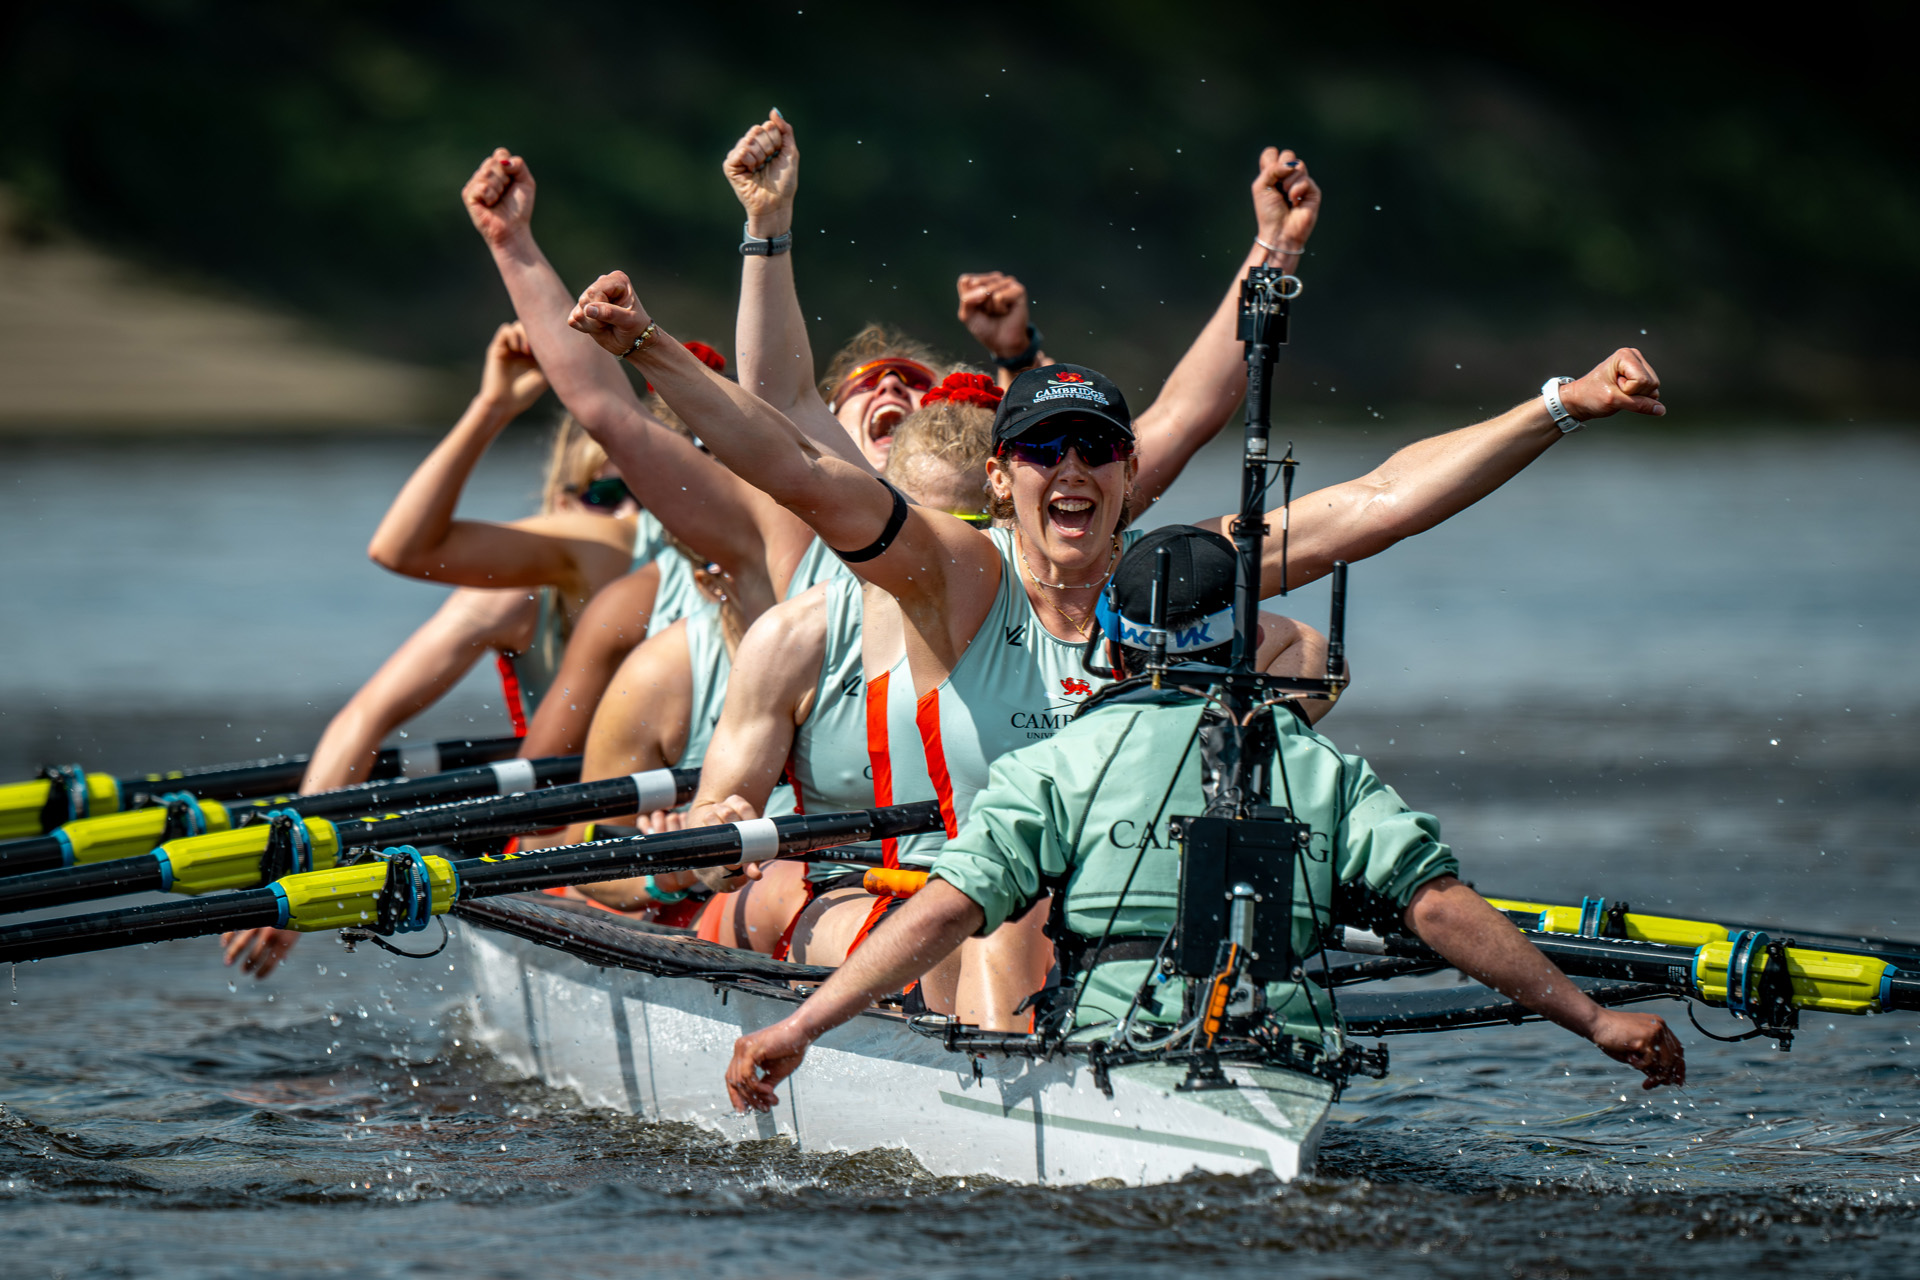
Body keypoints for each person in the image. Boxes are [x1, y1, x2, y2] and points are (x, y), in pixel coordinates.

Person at [724, 528, 1687, 1113]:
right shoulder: (1320, 763)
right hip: (1288, 1060)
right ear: (1239, 640)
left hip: (1112, 1055)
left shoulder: (1052, 765)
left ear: (1110, 643)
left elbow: (946, 909)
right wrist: (1593, 1018)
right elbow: (1438, 907)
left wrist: (801, 1027)